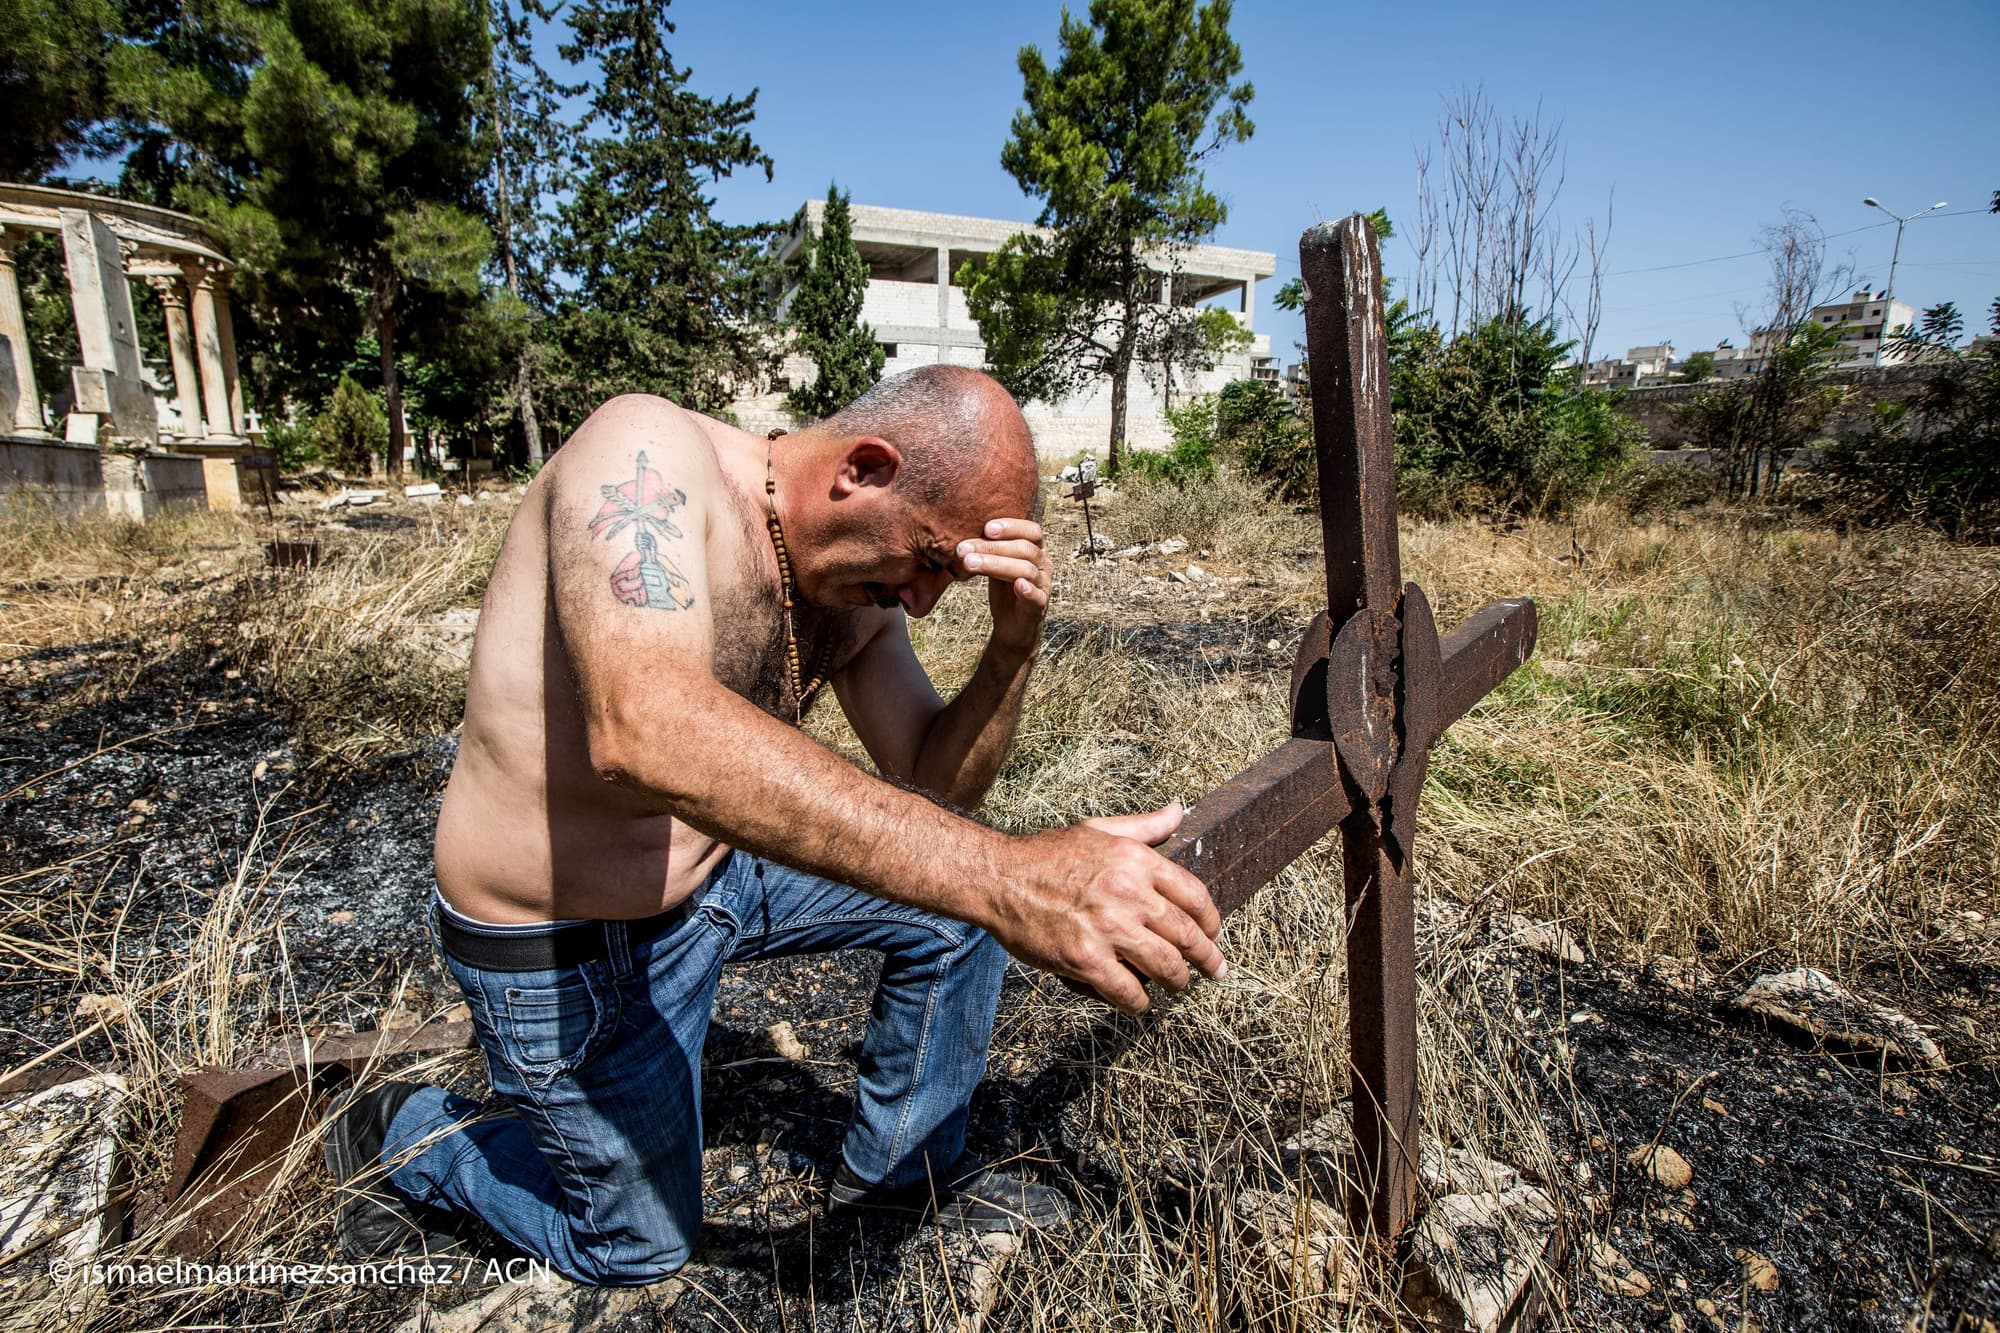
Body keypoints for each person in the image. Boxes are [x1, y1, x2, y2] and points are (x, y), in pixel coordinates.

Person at [321, 366, 1227, 1285]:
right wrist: (1011, 874)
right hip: (561, 937)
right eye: (929, 560)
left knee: (962, 913)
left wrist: (1010, 651)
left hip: (715, 875)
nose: (920, 600)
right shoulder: (644, 455)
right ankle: (407, 1127)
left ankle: (887, 1198)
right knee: (637, 1247)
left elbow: (936, 787)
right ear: (863, 468)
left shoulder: (851, 592)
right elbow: (643, 728)